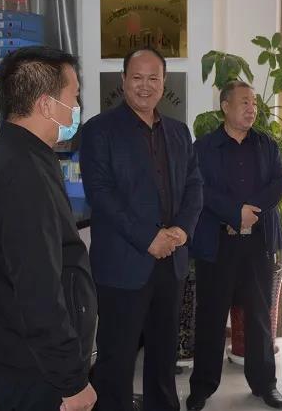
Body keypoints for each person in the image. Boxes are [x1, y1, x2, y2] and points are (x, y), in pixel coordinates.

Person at [0, 46, 97, 411]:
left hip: (21, 360)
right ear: (46, 105)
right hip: (37, 373)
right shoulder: (21, 172)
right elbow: (38, 290)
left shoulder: (10, 155)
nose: (77, 107)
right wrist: (72, 381)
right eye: (74, 96)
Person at [80, 47, 203, 411]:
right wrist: (148, 238)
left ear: (164, 83)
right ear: (123, 81)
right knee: (116, 360)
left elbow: (194, 185)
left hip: (171, 264)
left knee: (164, 356)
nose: (145, 86)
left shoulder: (178, 132)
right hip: (122, 265)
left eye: (153, 78)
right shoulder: (99, 130)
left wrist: (182, 231)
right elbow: (101, 194)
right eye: (137, 78)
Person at [186, 81, 282, 410]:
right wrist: (233, 213)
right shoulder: (204, 147)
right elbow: (199, 188)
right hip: (217, 243)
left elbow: (278, 183)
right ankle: (202, 386)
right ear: (225, 106)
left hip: (257, 243)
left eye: (253, 103)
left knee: (259, 315)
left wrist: (248, 215)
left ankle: (265, 384)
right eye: (244, 102)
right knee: (211, 317)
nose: (251, 108)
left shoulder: (266, 144)